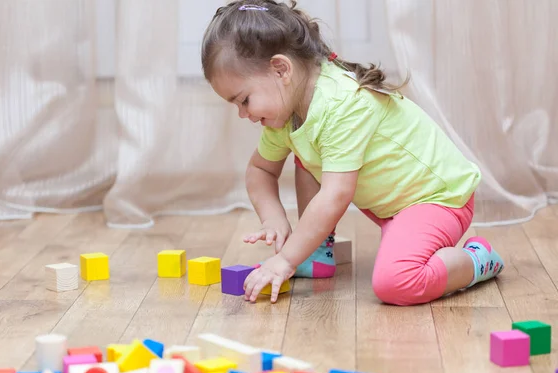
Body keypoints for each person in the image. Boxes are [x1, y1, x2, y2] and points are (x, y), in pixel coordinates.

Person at [200, 0, 505, 305]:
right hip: (390, 205)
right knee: (307, 153)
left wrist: (285, 260)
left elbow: (335, 196)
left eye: (244, 100)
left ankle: (477, 260)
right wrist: (273, 219)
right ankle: (318, 253)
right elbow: (260, 171)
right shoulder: (286, 111)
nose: (243, 114)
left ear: (281, 69)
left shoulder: (342, 105)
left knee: (396, 282)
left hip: (437, 199)